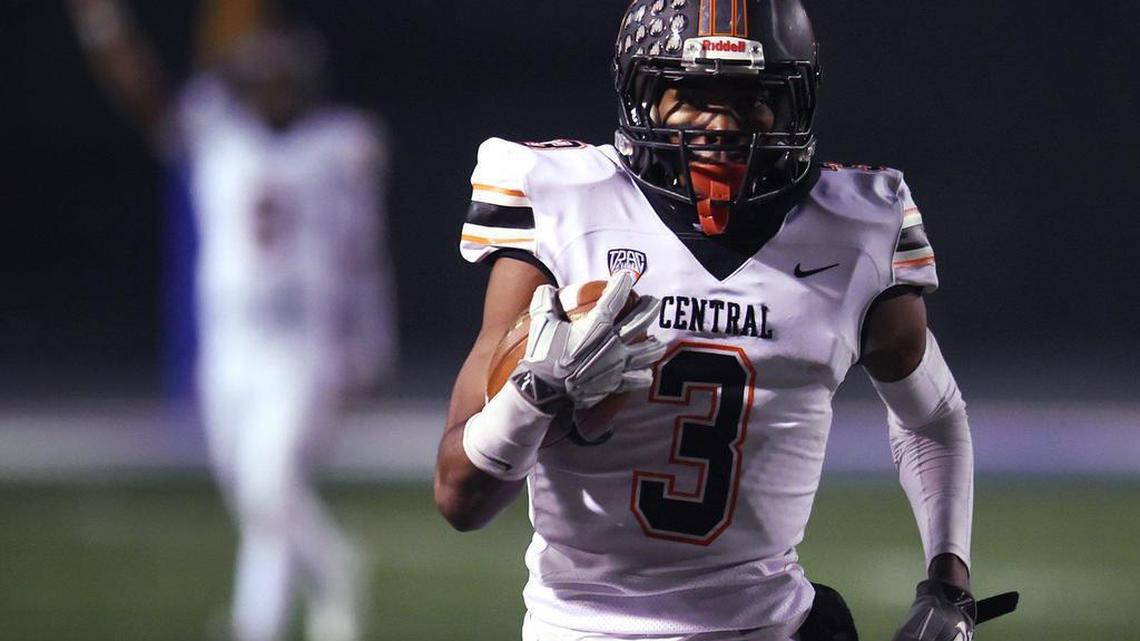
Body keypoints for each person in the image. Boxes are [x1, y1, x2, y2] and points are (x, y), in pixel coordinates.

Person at [435, 1, 1016, 640]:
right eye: (693, 94)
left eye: (752, 97)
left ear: (792, 103)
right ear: (645, 95)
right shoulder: (563, 203)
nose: (721, 124)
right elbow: (461, 498)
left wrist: (948, 581)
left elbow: (932, 416)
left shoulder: (855, 229)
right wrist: (534, 396)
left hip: (770, 626)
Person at [66, 2, 397, 640]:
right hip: (230, 345)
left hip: (304, 345)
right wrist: (103, 27)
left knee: (269, 481)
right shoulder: (219, 132)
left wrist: (370, 341)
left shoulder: (340, 145)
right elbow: (145, 96)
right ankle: (273, 612)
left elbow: (364, 256)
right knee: (255, 498)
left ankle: (319, 579)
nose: (273, 86)